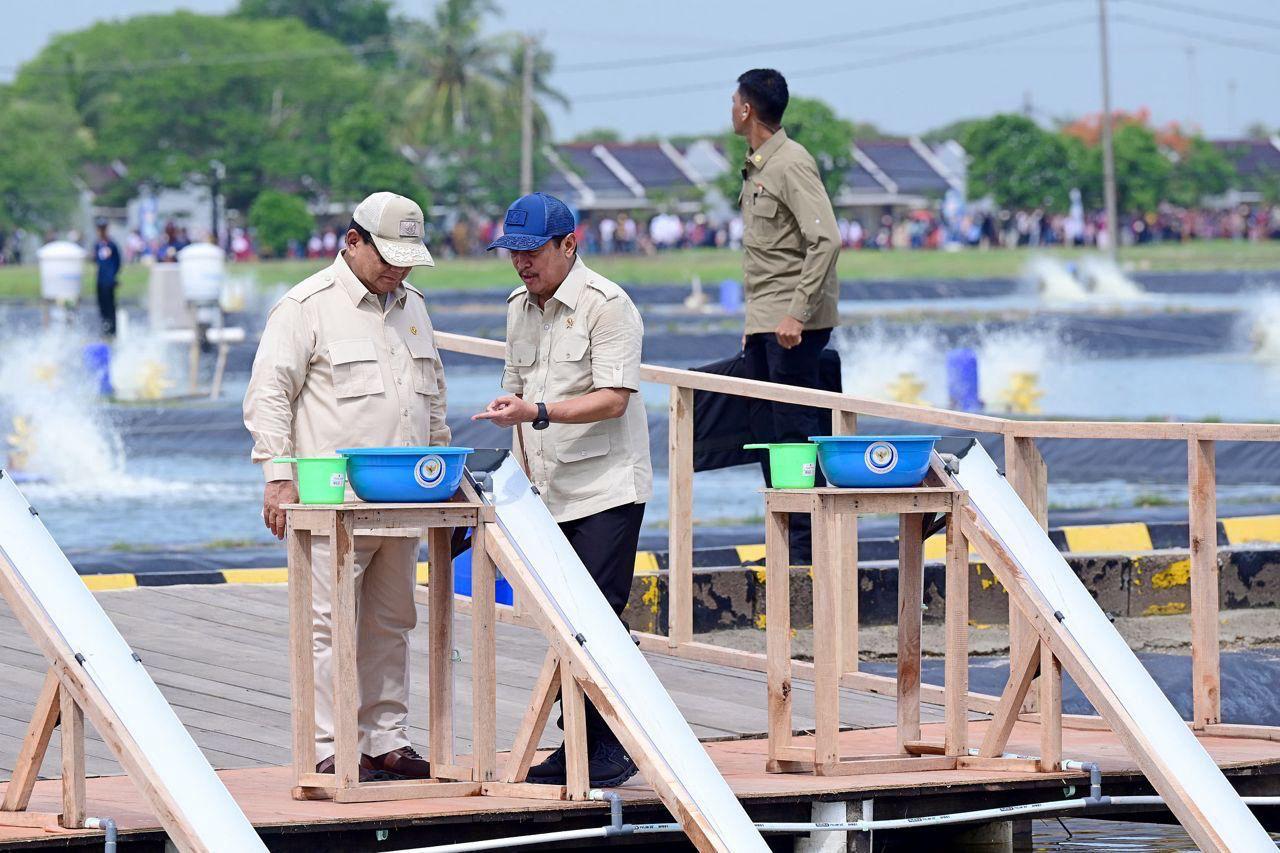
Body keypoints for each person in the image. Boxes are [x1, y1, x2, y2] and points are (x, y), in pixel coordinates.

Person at [243, 191, 448, 782]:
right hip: (331, 499)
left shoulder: (414, 308)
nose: (398, 269)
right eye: (388, 256)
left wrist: (451, 482)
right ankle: (329, 743)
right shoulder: (306, 307)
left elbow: (430, 401)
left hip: (405, 498)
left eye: (408, 259)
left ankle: (385, 737)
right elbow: (269, 396)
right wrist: (277, 477)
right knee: (326, 626)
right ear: (352, 242)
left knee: (393, 620)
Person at [474, 192, 650, 788]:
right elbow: (516, 383)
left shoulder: (609, 306)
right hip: (544, 490)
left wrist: (538, 410)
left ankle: (610, 745)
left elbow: (614, 397)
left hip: (606, 487)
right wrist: (511, 414)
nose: (522, 263)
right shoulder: (517, 308)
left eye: (532, 252)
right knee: (563, 618)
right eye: (512, 252)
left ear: (568, 244)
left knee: (596, 614)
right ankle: (586, 738)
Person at [732, 68, 840, 561]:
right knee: (764, 432)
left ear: (747, 109)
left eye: (734, 101)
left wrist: (796, 314)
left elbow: (826, 240)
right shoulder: (758, 166)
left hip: (793, 327)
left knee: (794, 434)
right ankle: (784, 542)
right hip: (766, 323)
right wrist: (754, 329)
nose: (731, 109)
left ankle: (804, 550)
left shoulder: (791, 163)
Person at [92, 219, 122, 337]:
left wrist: (113, 275)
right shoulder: (97, 245)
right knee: (102, 304)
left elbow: (118, 261)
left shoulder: (111, 244)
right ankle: (105, 328)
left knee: (111, 306)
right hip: (100, 279)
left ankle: (113, 330)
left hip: (109, 280)